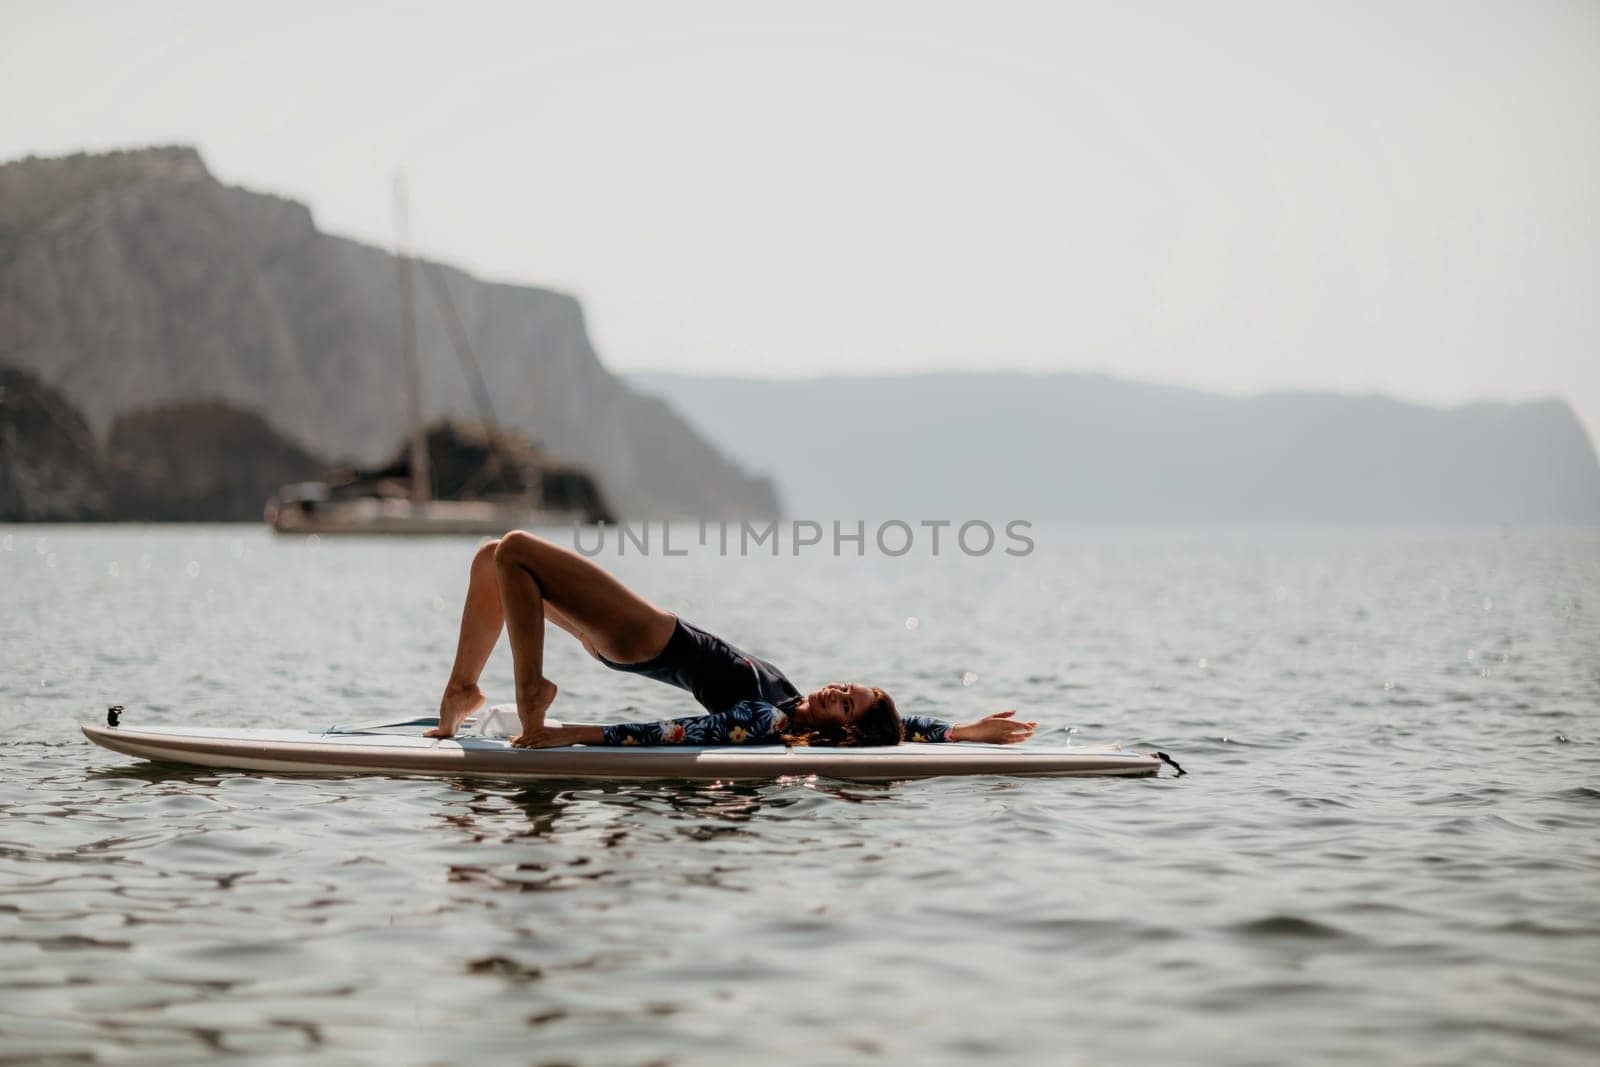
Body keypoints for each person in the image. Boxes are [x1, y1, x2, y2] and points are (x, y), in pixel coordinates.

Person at [427, 531, 1038, 749]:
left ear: (842, 730)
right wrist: (961, 731)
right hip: (636, 642)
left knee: (515, 550)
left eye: (845, 703)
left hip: (650, 637)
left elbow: (671, 735)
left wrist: (569, 734)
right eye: (849, 687)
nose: (838, 690)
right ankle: (463, 690)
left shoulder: (767, 721)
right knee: (492, 560)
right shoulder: (797, 699)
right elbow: (899, 729)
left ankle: (530, 689)